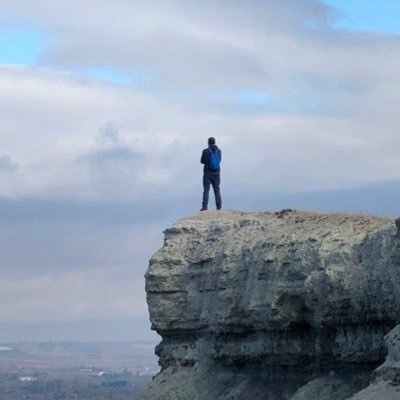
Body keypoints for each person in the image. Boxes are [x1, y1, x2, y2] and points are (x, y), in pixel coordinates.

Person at [200, 137, 222, 211]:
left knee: (206, 190)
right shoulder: (219, 151)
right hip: (217, 173)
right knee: (217, 189)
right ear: (215, 142)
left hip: (207, 173)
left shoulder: (205, 151)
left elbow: (202, 161)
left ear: (208, 143)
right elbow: (220, 160)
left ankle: (204, 206)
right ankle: (219, 206)